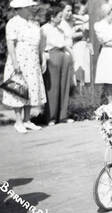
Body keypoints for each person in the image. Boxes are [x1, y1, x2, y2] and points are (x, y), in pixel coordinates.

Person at [2, 0, 46, 133]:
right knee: (19, 90)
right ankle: (18, 121)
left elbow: (39, 45)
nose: (31, 9)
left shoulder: (35, 24)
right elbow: (10, 44)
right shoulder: (13, 23)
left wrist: (42, 59)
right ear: (20, 9)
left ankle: (27, 120)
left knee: (31, 89)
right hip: (20, 60)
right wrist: (15, 63)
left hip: (32, 61)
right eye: (28, 7)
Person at [41, 6, 74, 125]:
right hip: (52, 56)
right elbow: (42, 46)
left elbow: (67, 42)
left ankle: (63, 116)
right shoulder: (44, 29)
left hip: (63, 55)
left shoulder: (61, 29)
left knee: (64, 87)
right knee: (52, 88)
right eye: (59, 17)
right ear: (52, 17)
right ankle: (51, 117)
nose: (61, 19)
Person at [72, 0, 92, 85]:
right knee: (77, 61)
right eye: (79, 8)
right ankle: (77, 80)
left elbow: (86, 23)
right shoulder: (73, 19)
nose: (82, 9)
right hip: (76, 43)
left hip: (84, 42)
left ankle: (84, 80)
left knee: (84, 61)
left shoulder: (86, 17)